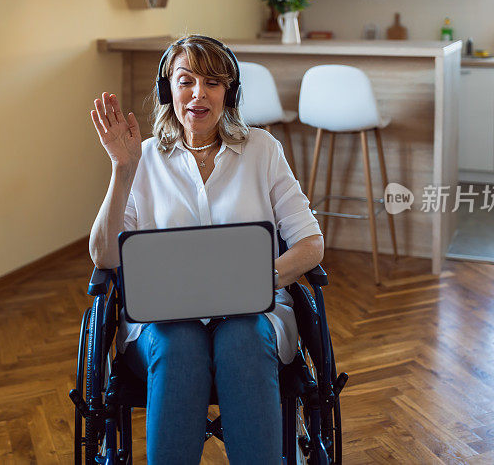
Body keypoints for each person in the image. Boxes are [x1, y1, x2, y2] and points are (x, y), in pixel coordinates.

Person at [88, 34, 324, 464]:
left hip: (256, 314)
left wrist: (257, 280)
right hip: (163, 322)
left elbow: (311, 244)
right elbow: (104, 258)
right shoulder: (140, 160)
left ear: (229, 93)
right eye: (186, 81)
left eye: (213, 82)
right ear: (167, 90)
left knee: (243, 338)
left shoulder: (262, 150)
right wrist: (121, 172)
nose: (199, 94)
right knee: (177, 343)